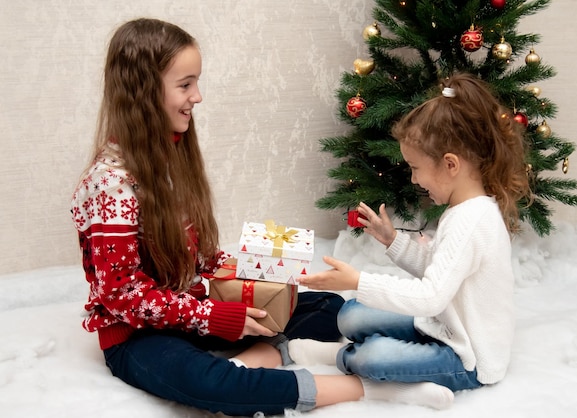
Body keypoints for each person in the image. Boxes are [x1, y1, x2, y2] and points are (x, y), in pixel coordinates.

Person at [69, 18, 369, 416]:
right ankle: (366, 388)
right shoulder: (108, 185)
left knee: (324, 307)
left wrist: (261, 275)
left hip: (192, 314)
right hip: (140, 336)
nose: (198, 96)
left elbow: (201, 260)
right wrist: (215, 318)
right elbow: (124, 296)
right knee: (212, 382)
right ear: (143, 91)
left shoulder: (171, 161)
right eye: (185, 84)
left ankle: (276, 350)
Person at [297, 72, 532, 408]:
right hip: (444, 324)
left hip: (470, 358)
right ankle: (369, 358)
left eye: (415, 167)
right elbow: (440, 270)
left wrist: (359, 280)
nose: (413, 178)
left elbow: (430, 296)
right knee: (351, 316)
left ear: (450, 164)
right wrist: (393, 241)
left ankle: (347, 360)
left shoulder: (471, 221)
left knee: (372, 358)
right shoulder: (464, 209)